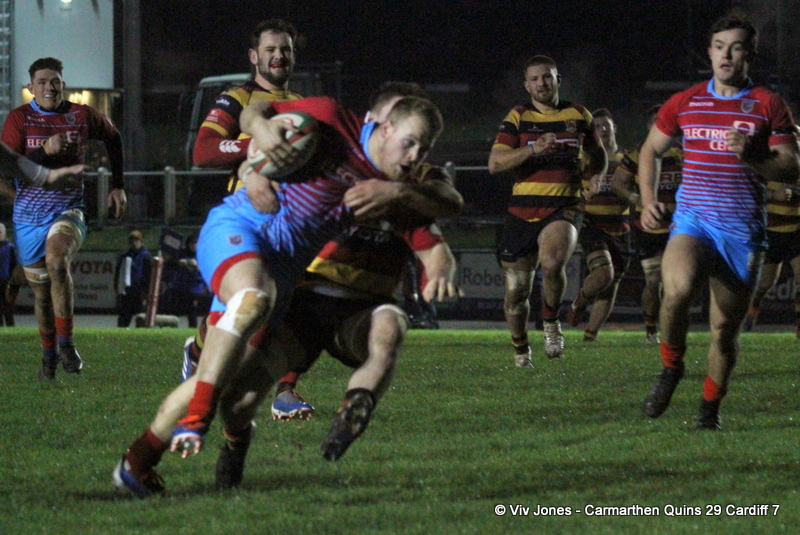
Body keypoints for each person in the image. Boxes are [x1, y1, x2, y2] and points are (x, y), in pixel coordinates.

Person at [112, 93, 452, 497]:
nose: (414, 155)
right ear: (384, 123)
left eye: (423, 148)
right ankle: (199, 416)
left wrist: (431, 247)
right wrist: (258, 140)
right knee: (254, 297)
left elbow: (448, 204)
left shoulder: (399, 187)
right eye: (409, 141)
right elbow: (259, 118)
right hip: (243, 227)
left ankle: (137, 463)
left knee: (228, 380)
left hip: (284, 273)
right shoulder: (328, 122)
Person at [639, 12, 800, 430]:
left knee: (725, 331)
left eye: (737, 47)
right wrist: (646, 199)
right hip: (694, 221)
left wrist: (754, 156)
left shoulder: (768, 104)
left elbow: (791, 168)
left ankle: (709, 411)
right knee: (675, 291)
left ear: (749, 55)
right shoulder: (686, 101)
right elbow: (649, 151)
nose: (726, 55)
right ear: (710, 52)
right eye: (719, 46)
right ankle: (671, 367)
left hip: (743, 230)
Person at [1, 57, 126, 380]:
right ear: (31, 88)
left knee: (57, 260)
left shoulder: (81, 114)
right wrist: (45, 151)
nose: (49, 87)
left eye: (55, 80)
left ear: (63, 84)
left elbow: (114, 137)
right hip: (28, 216)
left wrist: (117, 185)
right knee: (41, 296)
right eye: (42, 81)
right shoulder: (19, 119)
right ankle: (48, 356)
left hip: (68, 209)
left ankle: (67, 343)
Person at [488, 55, 607, 366]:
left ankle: (551, 323)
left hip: (564, 205)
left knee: (553, 262)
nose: (542, 83)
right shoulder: (518, 116)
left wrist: (596, 174)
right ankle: (521, 350)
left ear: (557, 79)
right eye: (536, 79)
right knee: (516, 292)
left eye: (547, 77)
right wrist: (531, 149)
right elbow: (495, 163)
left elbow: (598, 154)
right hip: (521, 210)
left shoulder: (579, 114)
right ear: (527, 85)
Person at [192, 18, 302, 193]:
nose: (279, 56)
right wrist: (262, 142)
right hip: (250, 205)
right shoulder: (237, 98)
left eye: (286, 50)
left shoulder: (301, 102)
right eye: (270, 50)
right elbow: (202, 152)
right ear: (254, 56)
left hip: (293, 206)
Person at [611, 104, 683, 343]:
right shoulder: (638, 153)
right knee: (654, 281)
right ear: (648, 126)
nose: (659, 125)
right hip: (648, 226)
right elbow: (618, 183)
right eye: (654, 121)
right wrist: (636, 199)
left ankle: (671, 329)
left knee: (678, 283)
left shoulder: (685, 152)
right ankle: (651, 330)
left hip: (679, 226)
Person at [567, 108, 630, 341]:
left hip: (620, 226)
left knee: (610, 286)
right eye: (597, 126)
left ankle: (590, 337)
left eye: (606, 125)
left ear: (615, 128)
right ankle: (579, 301)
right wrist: (581, 193)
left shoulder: (627, 159)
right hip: (592, 224)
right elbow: (570, 185)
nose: (602, 129)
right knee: (604, 273)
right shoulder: (587, 158)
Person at [114, 230, 152, 328]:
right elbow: (118, 274)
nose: (134, 243)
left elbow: (149, 276)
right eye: (132, 241)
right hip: (127, 293)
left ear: (140, 241)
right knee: (123, 319)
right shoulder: (124, 256)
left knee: (141, 319)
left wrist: (146, 293)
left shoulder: (146, 256)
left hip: (140, 293)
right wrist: (117, 290)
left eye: (136, 240)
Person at [0, 222, 16, 326]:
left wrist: (12, 281)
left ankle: (10, 326)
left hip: (6, 281)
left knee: (8, 306)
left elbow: (13, 265)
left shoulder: (9, 247)